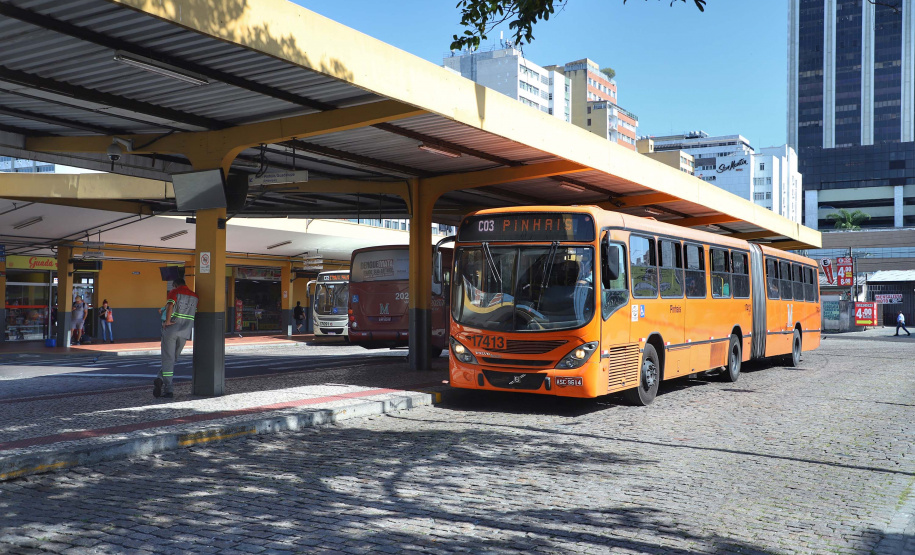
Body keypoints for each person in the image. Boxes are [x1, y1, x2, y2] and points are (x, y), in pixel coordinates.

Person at [154, 278, 198, 399]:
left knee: (168, 359)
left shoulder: (174, 292)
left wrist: (167, 321)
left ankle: (168, 390)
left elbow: (170, 305)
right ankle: (160, 378)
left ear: (175, 285)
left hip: (172, 329)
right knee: (173, 358)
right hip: (185, 332)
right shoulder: (195, 296)